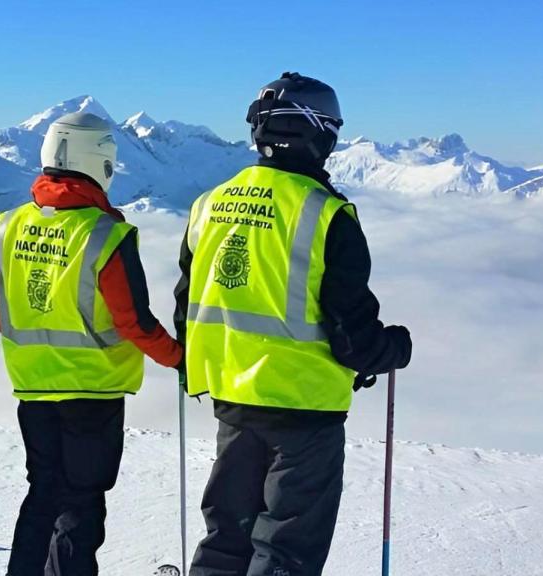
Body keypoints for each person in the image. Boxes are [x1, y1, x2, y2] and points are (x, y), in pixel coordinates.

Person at [174, 72, 412, 576]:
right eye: (331, 129)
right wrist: (392, 349)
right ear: (313, 132)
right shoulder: (327, 215)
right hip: (304, 412)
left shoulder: (207, 205)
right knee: (284, 551)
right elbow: (353, 336)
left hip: (232, 400)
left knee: (226, 540)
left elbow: (186, 308)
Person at [0, 112, 183, 576]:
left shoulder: (8, 225)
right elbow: (133, 321)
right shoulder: (105, 234)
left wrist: (38, 346)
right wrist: (178, 358)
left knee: (43, 493)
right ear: (100, 161)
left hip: (32, 389)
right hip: (94, 392)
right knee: (80, 503)